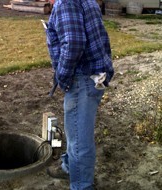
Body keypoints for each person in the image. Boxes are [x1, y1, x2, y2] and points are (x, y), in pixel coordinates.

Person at [45, 0, 114, 189]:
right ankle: (69, 167)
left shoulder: (65, 2)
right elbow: (101, 37)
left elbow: (74, 43)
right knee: (75, 131)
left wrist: (62, 76)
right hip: (94, 74)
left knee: (79, 141)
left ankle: (82, 185)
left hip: (82, 77)